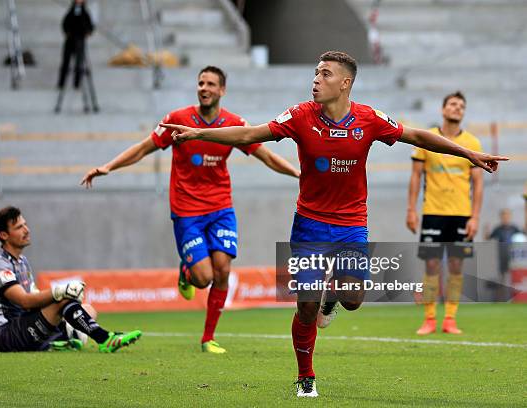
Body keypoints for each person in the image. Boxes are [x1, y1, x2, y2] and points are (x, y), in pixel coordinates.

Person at [161, 51, 506, 398]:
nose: (316, 80)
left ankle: (333, 302)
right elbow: (249, 135)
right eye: (315, 73)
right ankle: (305, 375)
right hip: (309, 225)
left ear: (345, 83)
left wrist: (468, 154)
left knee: (353, 299)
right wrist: (196, 134)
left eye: (325, 74)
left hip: (351, 225)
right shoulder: (298, 115)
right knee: (305, 306)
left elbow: (416, 136)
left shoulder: (369, 119)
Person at [81, 66, 300, 354]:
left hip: (221, 208)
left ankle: (208, 338)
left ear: (222, 90)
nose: (204, 88)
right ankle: (187, 271)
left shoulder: (233, 123)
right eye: (200, 83)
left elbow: (266, 156)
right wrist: (109, 166)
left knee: (223, 270)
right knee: (203, 277)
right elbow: (143, 148)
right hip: (187, 211)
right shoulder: (177, 120)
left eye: (211, 84)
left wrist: (298, 174)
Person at [0, 206, 142, 352]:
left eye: (25, 224)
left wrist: (65, 305)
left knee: (88, 309)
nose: (26, 230)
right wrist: (61, 292)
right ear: (4, 235)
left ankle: (62, 339)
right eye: (19, 227)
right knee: (63, 301)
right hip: (3, 333)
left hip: (23, 324)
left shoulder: (22, 262)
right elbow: (25, 301)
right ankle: (105, 338)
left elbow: (34, 296)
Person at [406, 91, 483, 336]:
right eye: (452, 104)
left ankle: (450, 318)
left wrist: (475, 216)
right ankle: (429, 319)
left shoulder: (472, 143)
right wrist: (411, 210)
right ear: (443, 109)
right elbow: (416, 177)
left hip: (461, 213)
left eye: (461, 105)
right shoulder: (428, 140)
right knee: (431, 266)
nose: (457, 108)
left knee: (456, 266)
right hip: (433, 212)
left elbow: (478, 183)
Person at [57, 0, 94, 90]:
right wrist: (67, 32)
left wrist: (87, 32)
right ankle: (61, 84)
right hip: (70, 40)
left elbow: (90, 26)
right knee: (66, 62)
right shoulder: (71, 11)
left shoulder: (85, 12)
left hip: (80, 41)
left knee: (79, 63)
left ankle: (77, 85)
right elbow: (64, 24)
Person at [486, 209, 523, 301]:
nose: (505, 217)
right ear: (501, 217)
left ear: (509, 217)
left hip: (513, 256)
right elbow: (488, 238)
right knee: (502, 276)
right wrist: (486, 230)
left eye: (507, 215)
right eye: (504, 216)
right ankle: (502, 298)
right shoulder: (498, 229)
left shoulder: (514, 228)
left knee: (513, 276)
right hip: (502, 255)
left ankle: (514, 297)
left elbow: (521, 237)